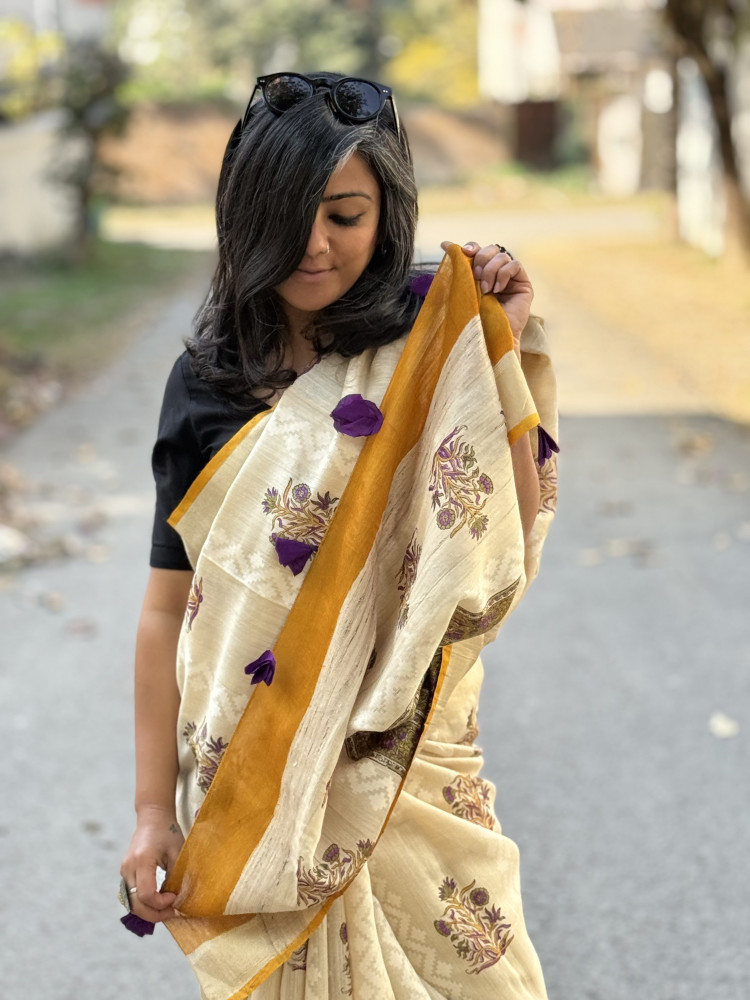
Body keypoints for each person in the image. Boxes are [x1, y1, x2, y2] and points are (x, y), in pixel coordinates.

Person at [119, 71, 558, 1000]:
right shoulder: (205, 383)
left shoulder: (433, 335)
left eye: (345, 216)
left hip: (408, 764)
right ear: (242, 216)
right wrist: (153, 810)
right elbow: (165, 611)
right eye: (288, 216)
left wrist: (496, 352)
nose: (315, 245)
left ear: (385, 214)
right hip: (250, 773)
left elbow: (506, 541)